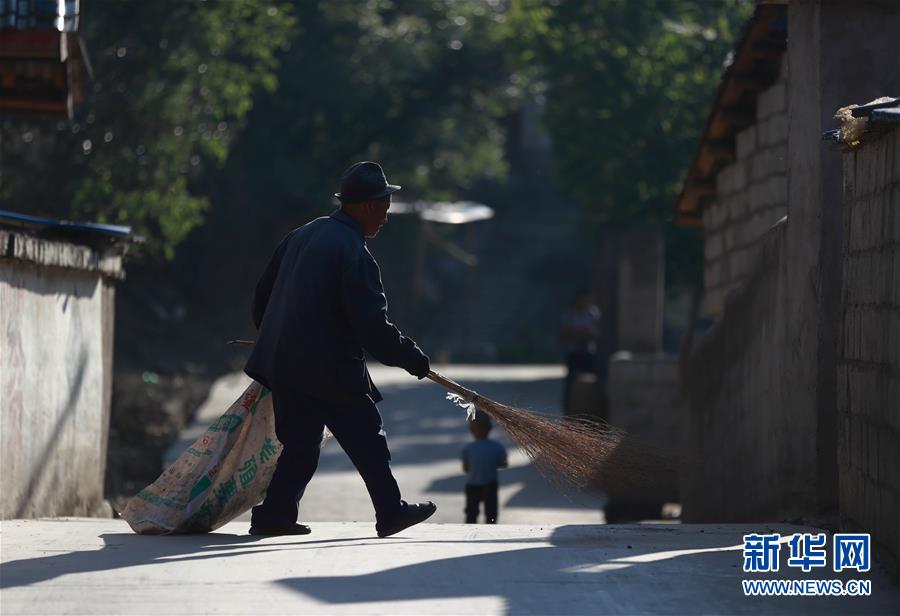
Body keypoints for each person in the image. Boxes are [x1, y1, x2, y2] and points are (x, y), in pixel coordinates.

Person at [244, 161, 437, 538]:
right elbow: (371, 325)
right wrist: (411, 357)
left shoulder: (301, 235)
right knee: (367, 435)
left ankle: (274, 516)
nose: (385, 217)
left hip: (284, 367)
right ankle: (390, 511)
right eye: (384, 207)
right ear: (366, 206)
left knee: (300, 443)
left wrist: (277, 340)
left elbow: (261, 298)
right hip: (328, 368)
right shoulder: (353, 251)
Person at [461, 410, 507, 524]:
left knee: (471, 513)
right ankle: (491, 529)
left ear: (471, 429)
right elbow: (503, 463)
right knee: (491, 513)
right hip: (490, 485)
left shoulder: (468, 448)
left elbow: (466, 468)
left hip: (473, 486)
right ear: (489, 428)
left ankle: (469, 530)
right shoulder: (497, 447)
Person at [560, 289, 601, 414]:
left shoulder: (592, 313)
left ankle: (591, 410)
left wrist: (585, 335)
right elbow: (565, 333)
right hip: (574, 353)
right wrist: (579, 335)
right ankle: (569, 411)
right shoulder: (569, 314)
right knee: (571, 383)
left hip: (588, 353)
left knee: (593, 382)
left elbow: (596, 332)